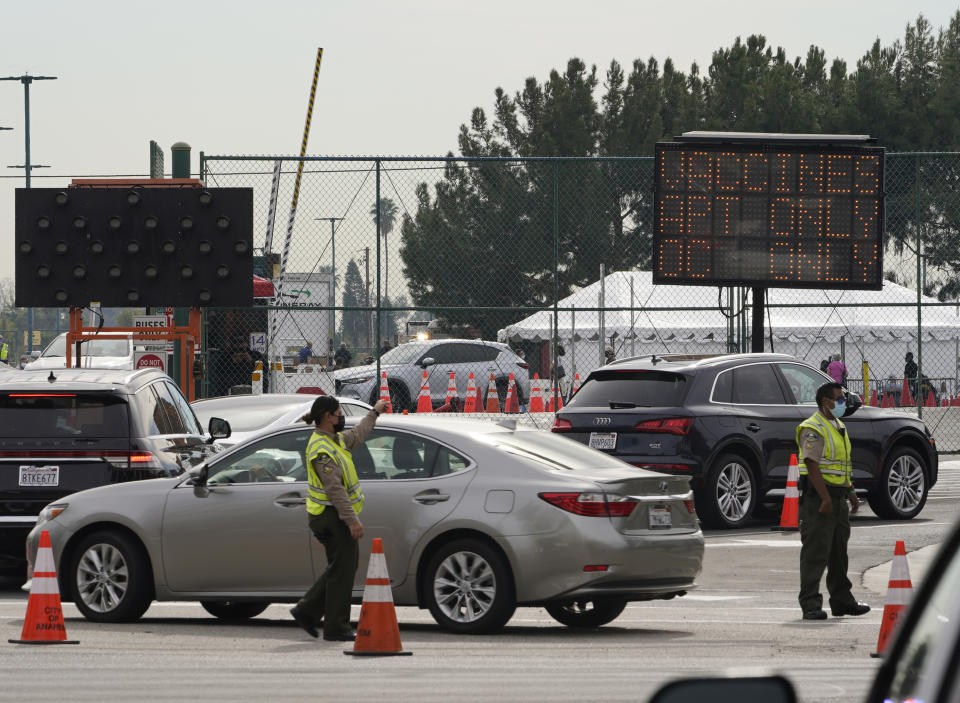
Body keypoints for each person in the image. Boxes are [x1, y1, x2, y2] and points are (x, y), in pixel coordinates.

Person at [290, 395, 388, 641]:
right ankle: (335, 626)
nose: (341, 417)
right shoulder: (322, 449)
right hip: (329, 516)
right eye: (338, 413)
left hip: (331, 516)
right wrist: (352, 520)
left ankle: (307, 610)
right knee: (343, 568)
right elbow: (334, 489)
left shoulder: (335, 441)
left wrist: (374, 413)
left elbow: (357, 434)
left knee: (342, 566)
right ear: (326, 417)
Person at [796, 381, 870, 621]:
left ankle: (841, 601)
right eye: (838, 399)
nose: (842, 403)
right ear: (824, 402)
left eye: (842, 398)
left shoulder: (839, 426)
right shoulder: (813, 427)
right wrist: (825, 498)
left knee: (839, 553)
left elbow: (841, 464)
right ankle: (810, 604)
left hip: (837, 498)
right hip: (819, 498)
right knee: (816, 553)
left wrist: (850, 492)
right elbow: (811, 463)